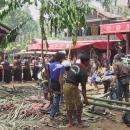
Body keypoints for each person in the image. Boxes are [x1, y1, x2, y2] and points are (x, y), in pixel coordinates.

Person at [63, 52, 89, 127]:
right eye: (89, 61)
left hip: (66, 85)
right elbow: (83, 87)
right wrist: (85, 99)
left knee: (69, 105)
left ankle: (70, 122)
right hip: (72, 87)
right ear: (86, 61)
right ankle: (80, 123)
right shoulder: (84, 71)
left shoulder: (74, 64)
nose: (89, 63)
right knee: (79, 105)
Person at [49, 52, 65, 119]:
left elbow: (47, 75)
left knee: (55, 97)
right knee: (57, 98)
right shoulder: (61, 66)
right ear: (61, 58)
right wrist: (61, 88)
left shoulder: (50, 65)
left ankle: (57, 111)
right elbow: (60, 78)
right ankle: (51, 114)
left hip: (51, 82)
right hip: (57, 83)